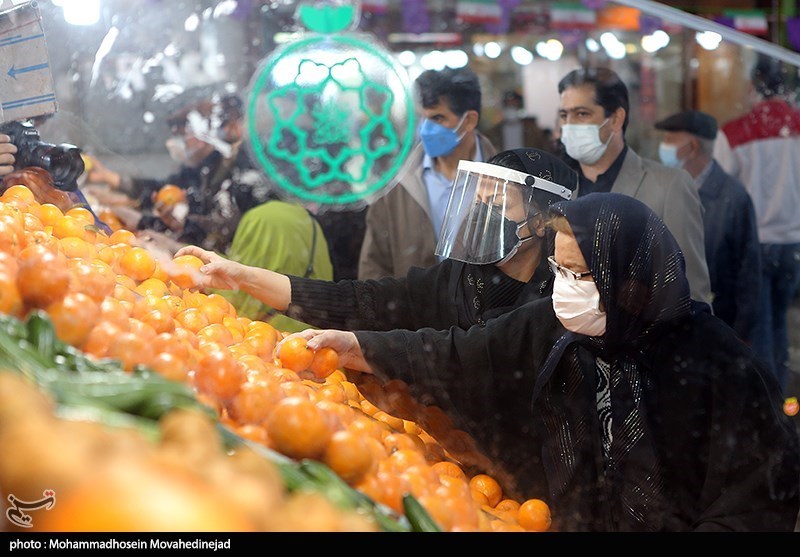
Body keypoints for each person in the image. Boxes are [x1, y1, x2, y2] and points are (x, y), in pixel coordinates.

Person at [288, 192, 800, 532]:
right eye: (558, 268)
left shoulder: (718, 362)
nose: (563, 288)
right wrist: (359, 347)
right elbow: (457, 357)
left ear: (633, 280)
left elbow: (755, 496)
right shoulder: (551, 328)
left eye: (580, 275)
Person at [176, 148, 577, 335]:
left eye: (500, 203)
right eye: (481, 201)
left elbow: (458, 358)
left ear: (542, 221)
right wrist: (242, 276)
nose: (485, 214)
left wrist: (371, 353)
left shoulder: (563, 302)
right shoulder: (454, 283)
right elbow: (358, 301)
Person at [556, 67, 712, 304]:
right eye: (564, 116)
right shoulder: (558, 186)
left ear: (616, 118)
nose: (570, 126)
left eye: (582, 114)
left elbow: (691, 293)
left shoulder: (668, 186)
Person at [357, 67, 498, 281]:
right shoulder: (396, 184)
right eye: (421, 118)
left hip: (488, 314)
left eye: (437, 118)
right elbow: (374, 266)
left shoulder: (507, 181)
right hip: (411, 312)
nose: (425, 129)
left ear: (469, 120)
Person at [85, 93, 269, 255]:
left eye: (185, 127)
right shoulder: (203, 168)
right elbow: (165, 191)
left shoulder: (243, 173)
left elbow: (220, 233)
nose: (177, 135)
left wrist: (158, 231)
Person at [713, 55, 800, 394]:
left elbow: (720, 188)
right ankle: (782, 393)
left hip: (755, 243)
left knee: (757, 326)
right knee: (781, 321)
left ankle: (768, 405)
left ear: (752, 88)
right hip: (793, 242)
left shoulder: (736, 132)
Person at [654, 110, 761, 345]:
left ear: (692, 147)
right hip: (671, 324)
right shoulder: (664, 186)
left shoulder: (733, 198)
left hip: (718, 324)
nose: (664, 146)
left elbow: (748, 273)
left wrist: (741, 334)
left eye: (670, 139)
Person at [221, 200, 334, 333]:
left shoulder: (260, 218)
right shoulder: (312, 223)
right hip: (313, 333)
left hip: (265, 337)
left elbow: (240, 288)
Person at [484, 90, 549, 152]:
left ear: (519, 105)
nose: (511, 108)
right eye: (508, 105)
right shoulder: (493, 133)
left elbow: (542, 149)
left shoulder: (533, 130)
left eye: (514, 104)